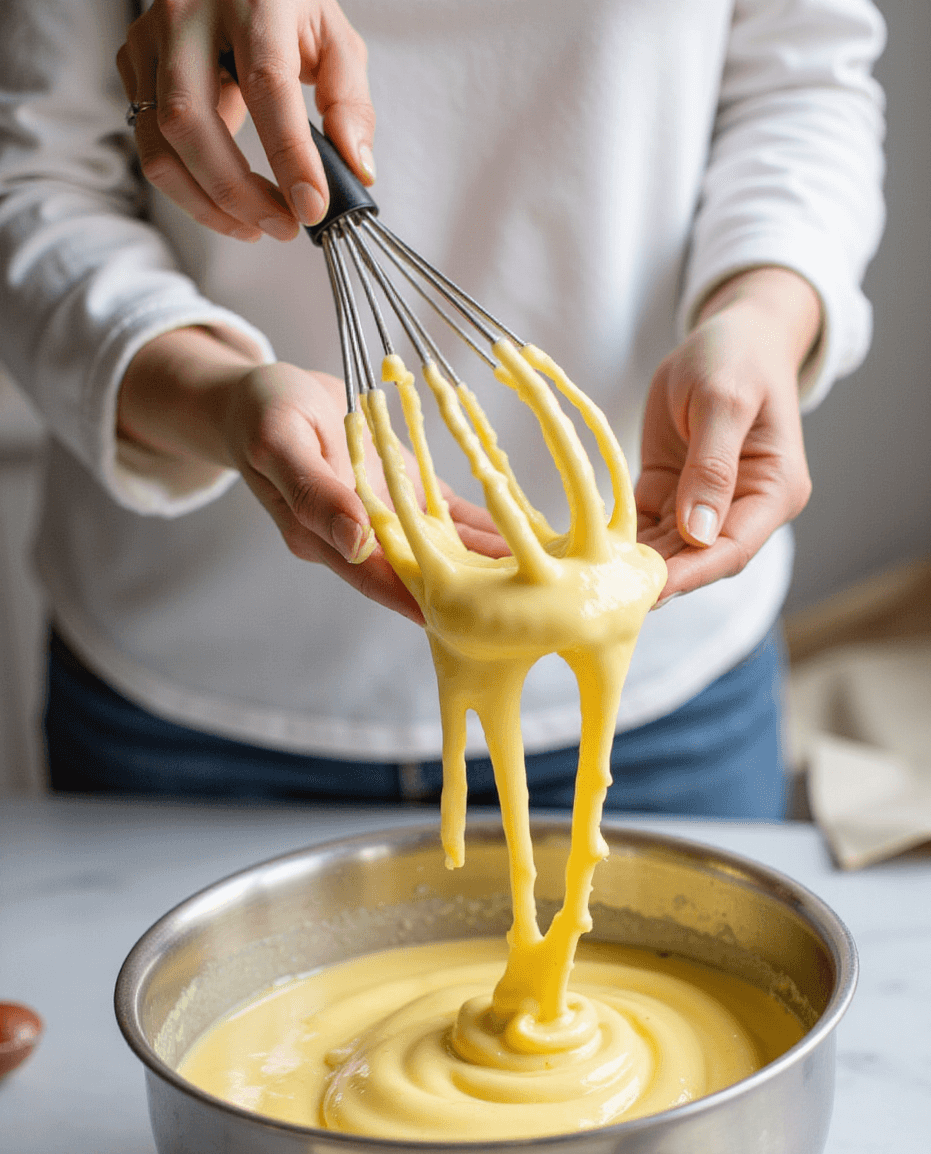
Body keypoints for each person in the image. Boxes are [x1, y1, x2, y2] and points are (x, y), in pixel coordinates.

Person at [0, 0, 885, 816]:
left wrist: (762, 313)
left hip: (645, 684)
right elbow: (37, 177)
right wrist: (216, 396)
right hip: (193, 701)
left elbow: (800, 82)